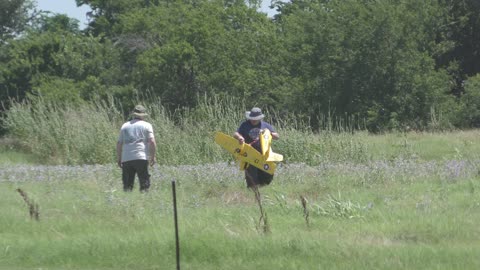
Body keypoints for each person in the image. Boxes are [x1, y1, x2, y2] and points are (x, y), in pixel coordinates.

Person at [233, 107, 280, 188]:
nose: (253, 120)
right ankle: (252, 191)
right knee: (251, 177)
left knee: (267, 175)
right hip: (249, 155)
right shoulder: (245, 125)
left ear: (260, 118)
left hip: (264, 155)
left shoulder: (265, 125)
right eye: (252, 118)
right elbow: (235, 134)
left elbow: (277, 136)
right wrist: (240, 138)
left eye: (255, 119)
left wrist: (269, 133)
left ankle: (263, 189)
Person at [116, 105, 157, 192]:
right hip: (141, 157)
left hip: (126, 158)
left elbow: (119, 143)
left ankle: (127, 203)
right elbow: (152, 142)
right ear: (143, 115)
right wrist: (153, 157)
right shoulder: (147, 125)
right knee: (144, 185)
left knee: (127, 186)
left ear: (133, 114)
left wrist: (119, 158)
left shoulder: (125, 126)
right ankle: (144, 202)